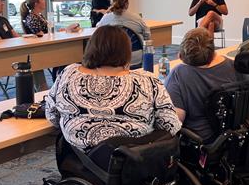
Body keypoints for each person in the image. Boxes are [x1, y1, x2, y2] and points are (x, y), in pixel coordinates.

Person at [46, 25, 181, 152]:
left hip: (82, 163)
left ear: (90, 48)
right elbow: (171, 126)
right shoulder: (147, 81)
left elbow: (52, 115)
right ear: (127, 52)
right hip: (134, 163)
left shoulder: (68, 74)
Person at [165, 28, 240, 142]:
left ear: (180, 56)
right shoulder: (233, 65)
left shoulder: (178, 74)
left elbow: (175, 120)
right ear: (213, 52)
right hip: (230, 139)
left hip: (198, 143)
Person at [97, 0, 151, 65]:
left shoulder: (105, 19)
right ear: (127, 4)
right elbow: (147, 35)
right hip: (134, 58)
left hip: (111, 58)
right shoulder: (136, 18)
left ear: (111, 3)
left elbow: (98, 33)